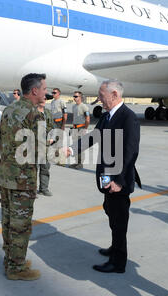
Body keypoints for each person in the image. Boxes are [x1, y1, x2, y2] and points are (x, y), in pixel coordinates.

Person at [65, 80, 141, 273]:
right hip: (106, 175)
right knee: (109, 208)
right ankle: (115, 247)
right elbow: (94, 136)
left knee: (119, 218)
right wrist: (72, 149)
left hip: (118, 178)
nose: (99, 99)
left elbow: (130, 152)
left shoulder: (128, 117)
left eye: (101, 95)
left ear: (114, 94)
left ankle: (118, 262)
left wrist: (119, 181)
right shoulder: (107, 116)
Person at [0, 73, 46, 281]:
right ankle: (16, 269)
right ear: (34, 91)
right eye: (44, 89)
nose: (46, 92)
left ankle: (10, 259)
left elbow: (1, 140)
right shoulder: (34, 114)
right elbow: (42, 151)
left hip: (5, 175)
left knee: (8, 221)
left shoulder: (8, 109)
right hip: (22, 179)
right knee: (21, 224)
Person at [37, 100, 54, 197]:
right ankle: (31, 190)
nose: (43, 101)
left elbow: (51, 126)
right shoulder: (32, 112)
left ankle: (44, 188)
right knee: (33, 169)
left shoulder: (47, 112)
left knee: (45, 167)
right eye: (41, 99)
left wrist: (52, 137)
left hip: (46, 144)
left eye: (44, 99)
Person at [71, 91, 90, 169]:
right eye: (74, 96)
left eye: (76, 96)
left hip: (81, 128)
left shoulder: (84, 107)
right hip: (75, 128)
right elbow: (74, 118)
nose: (74, 98)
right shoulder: (74, 106)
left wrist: (85, 129)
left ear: (80, 97)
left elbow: (87, 119)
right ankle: (76, 162)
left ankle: (80, 163)